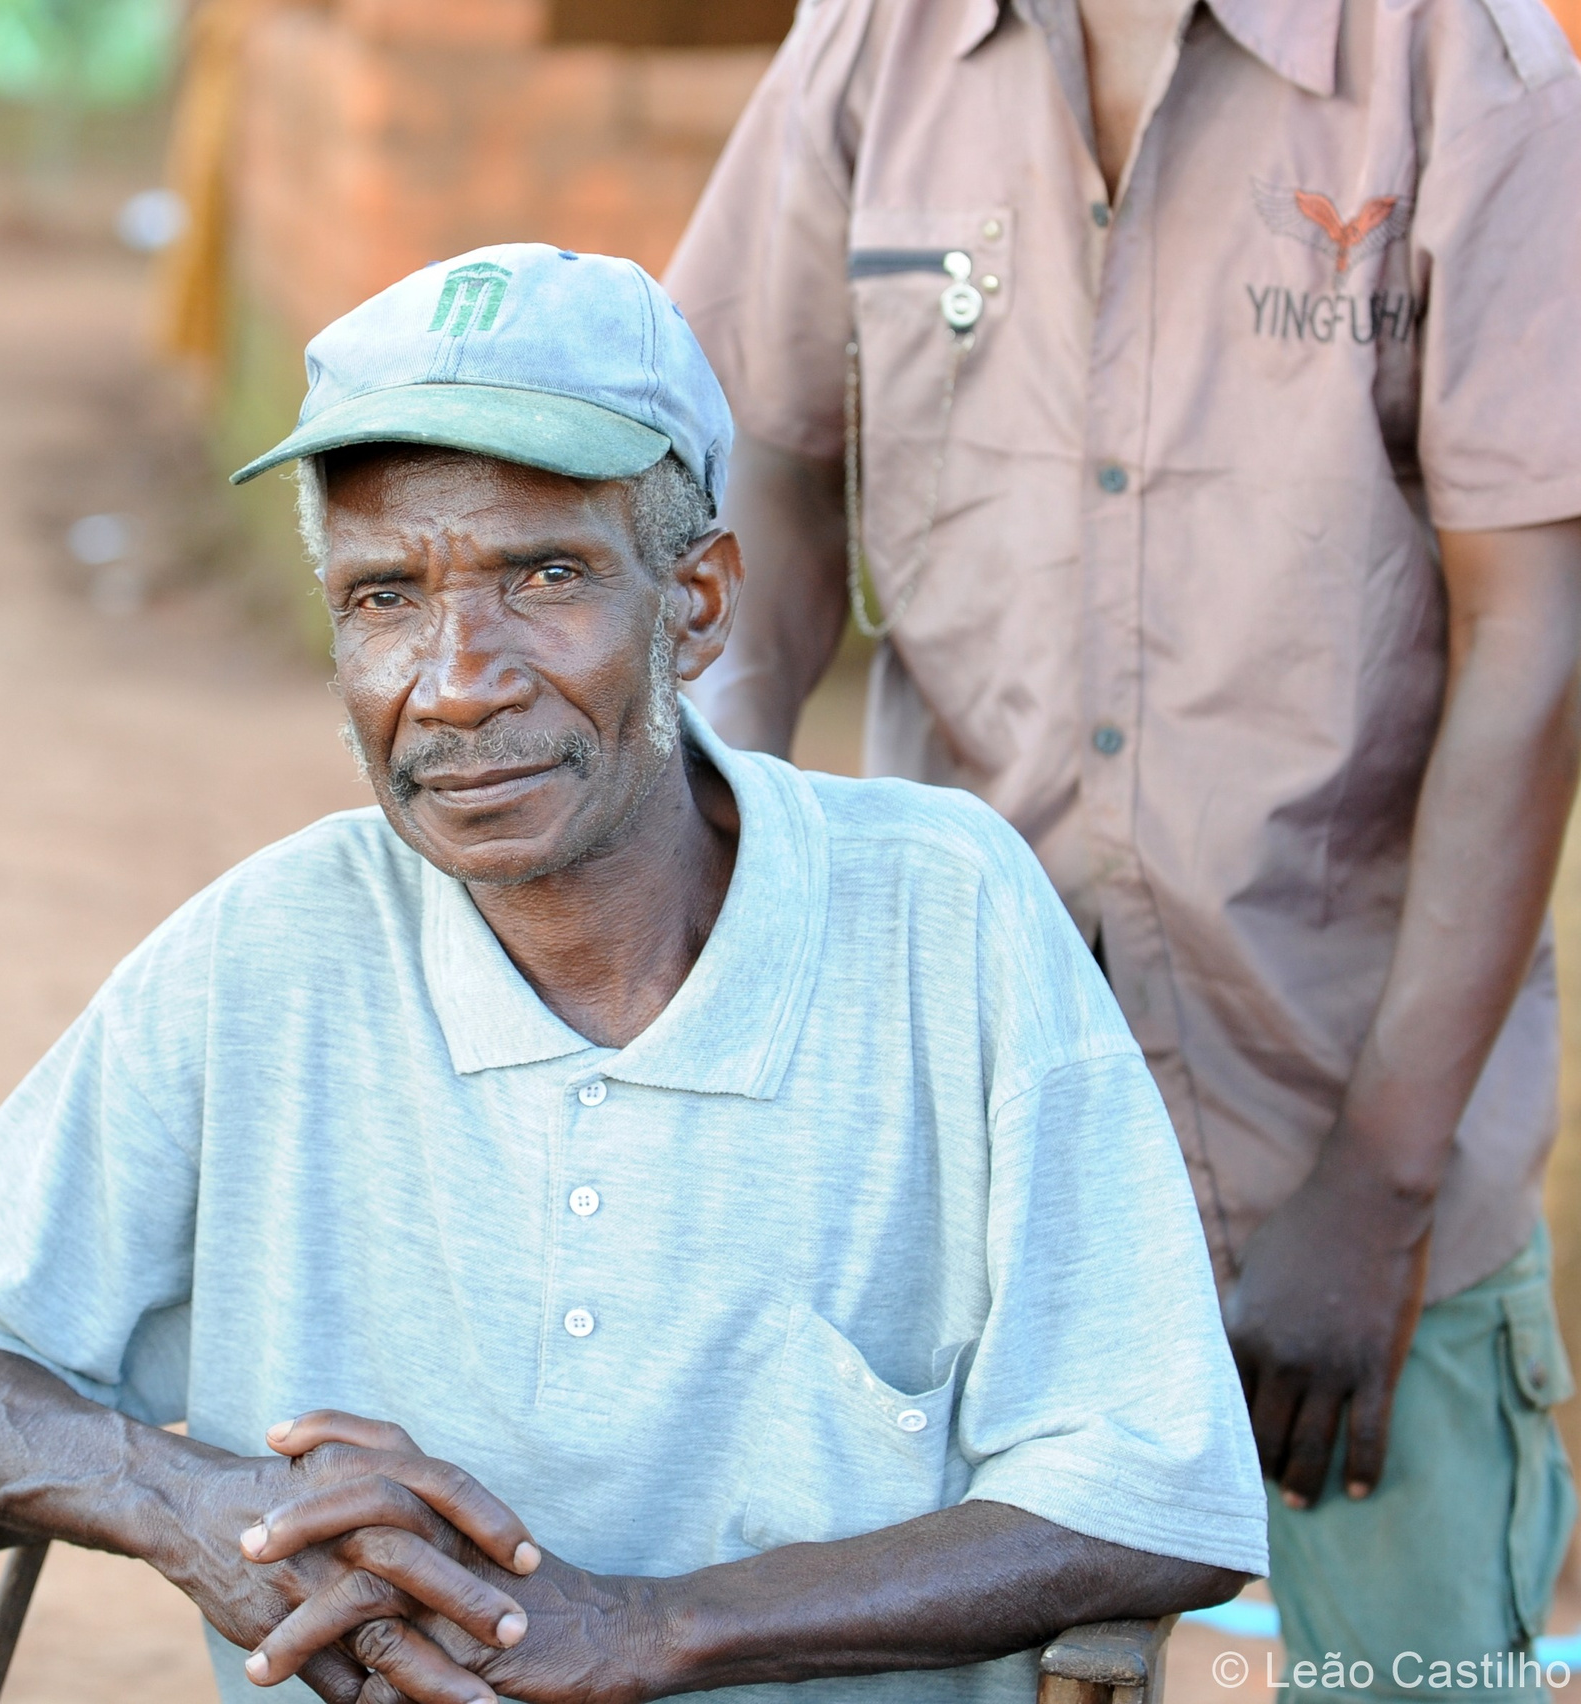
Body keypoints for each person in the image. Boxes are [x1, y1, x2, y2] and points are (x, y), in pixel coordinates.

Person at [0, 243, 1263, 1704]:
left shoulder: (942, 919)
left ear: (696, 603)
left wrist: (652, 1628)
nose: (457, 680)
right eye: (385, 597)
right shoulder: (270, 948)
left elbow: (1149, 1491)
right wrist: (196, 1507)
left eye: (545, 575)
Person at [661, 0, 1581, 1691]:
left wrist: (1374, 1190)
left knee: (1409, 1673)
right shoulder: (877, 49)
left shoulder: (1469, 66)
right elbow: (760, 473)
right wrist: (711, 885)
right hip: (952, 1141)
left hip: (1336, 1146)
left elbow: (1534, 627)